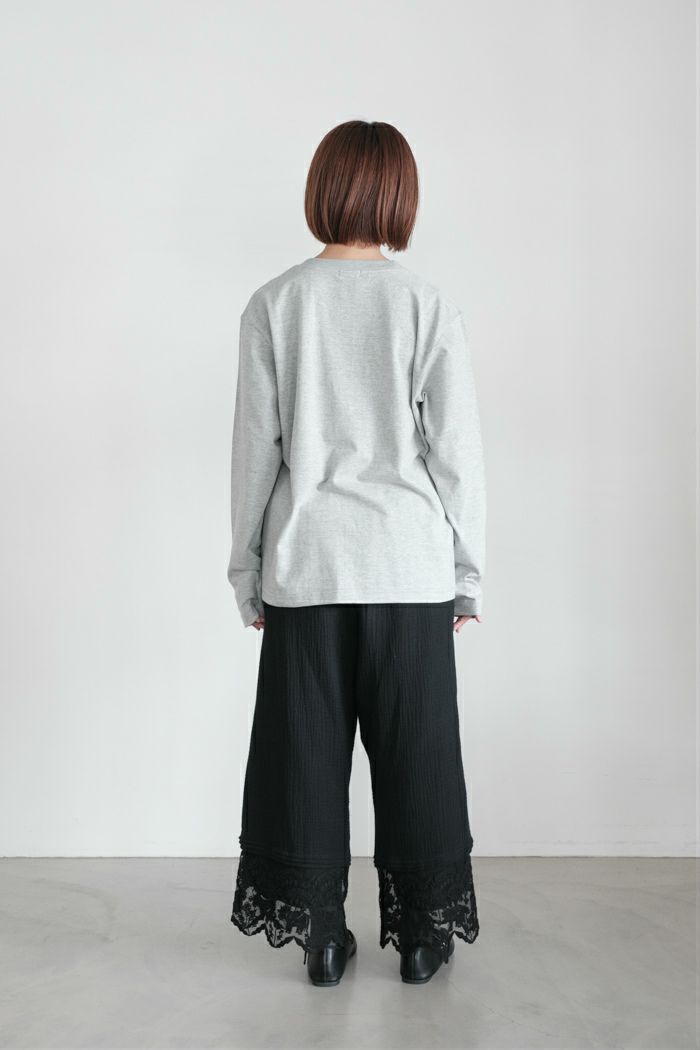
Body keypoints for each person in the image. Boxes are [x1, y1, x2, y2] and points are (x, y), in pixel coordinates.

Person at [227, 119, 486, 986]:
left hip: (306, 568)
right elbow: (458, 454)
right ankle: (420, 939)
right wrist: (466, 575)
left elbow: (255, 453)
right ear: (399, 197)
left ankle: (323, 940)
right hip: (407, 568)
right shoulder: (424, 303)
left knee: (304, 761)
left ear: (323, 190)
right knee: (419, 759)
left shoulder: (275, 304)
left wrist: (246, 572)